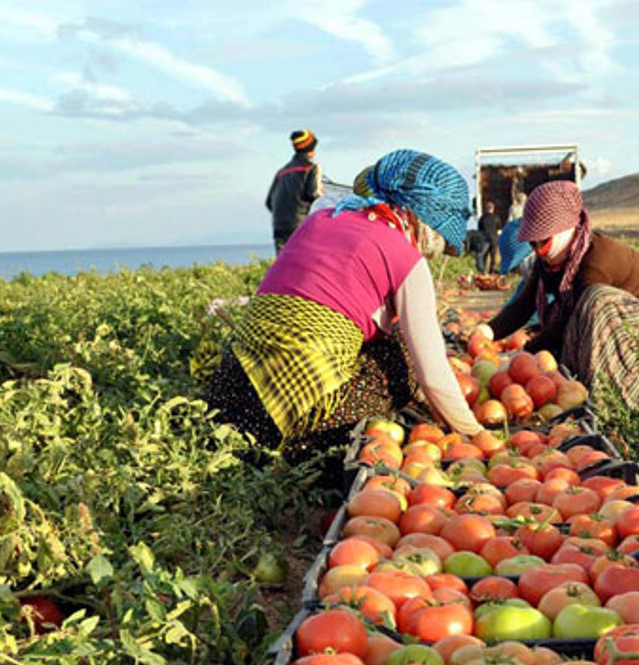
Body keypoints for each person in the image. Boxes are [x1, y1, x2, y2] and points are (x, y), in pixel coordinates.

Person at [208, 149, 486, 453]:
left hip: (231, 397)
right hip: (292, 419)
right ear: (426, 221)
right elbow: (431, 373)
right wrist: (475, 435)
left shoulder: (321, 219)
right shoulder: (405, 258)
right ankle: (309, 444)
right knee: (403, 358)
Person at [475, 180, 639, 406]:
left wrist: (523, 355)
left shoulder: (597, 258)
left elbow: (568, 319)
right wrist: (487, 331)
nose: (537, 249)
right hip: (627, 325)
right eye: (532, 243)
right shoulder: (550, 261)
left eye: (544, 241)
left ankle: (621, 398)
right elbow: (523, 306)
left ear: (567, 230)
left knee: (595, 300)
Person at [266, 129, 323, 253]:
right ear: (312, 148)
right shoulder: (311, 168)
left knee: (283, 268)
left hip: (279, 228)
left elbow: (269, 202)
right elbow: (314, 195)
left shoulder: (281, 173)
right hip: (300, 228)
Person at [477, 201, 502, 274]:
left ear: (486, 209)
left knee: (484, 255)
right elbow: (499, 230)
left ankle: (483, 271)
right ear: (493, 209)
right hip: (494, 239)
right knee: (493, 257)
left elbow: (479, 230)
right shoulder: (496, 218)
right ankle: (491, 272)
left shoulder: (482, 218)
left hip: (485, 239)